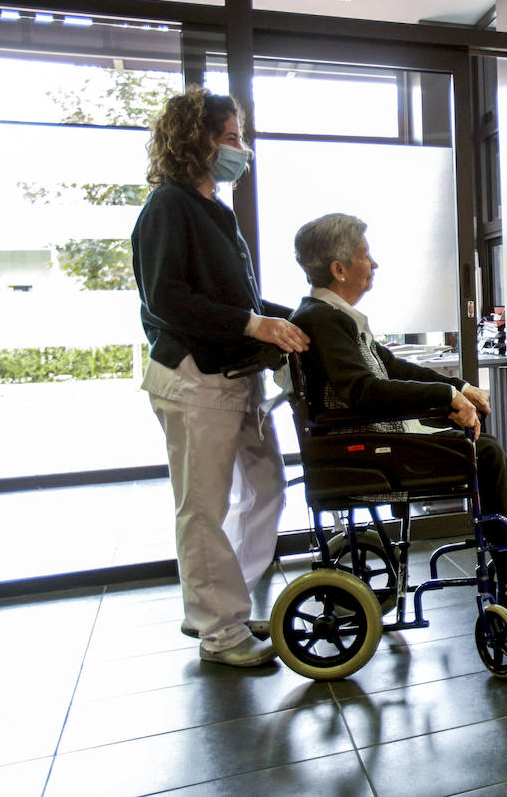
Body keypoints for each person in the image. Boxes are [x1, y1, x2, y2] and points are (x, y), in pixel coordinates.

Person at [290, 213, 507, 615]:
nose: (374, 264)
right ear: (339, 270)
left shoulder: (330, 317)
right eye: (365, 255)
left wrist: (457, 387)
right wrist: (446, 397)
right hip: (369, 452)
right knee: (485, 453)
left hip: (372, 443)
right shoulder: (323, 320)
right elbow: (363, 391)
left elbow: (393, 367)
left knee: (484, 447)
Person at [132, 87, 310, 667]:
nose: (242, 149)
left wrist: (293, 318)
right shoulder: (168, 206)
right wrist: (252, 323)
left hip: (234, 373)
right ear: (196, 140)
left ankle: (227, 603)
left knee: (266, 489)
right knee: (203, 506)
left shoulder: (214, 209)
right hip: (193, 376)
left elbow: (240, 299)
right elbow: (168, 300)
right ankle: (219, 630)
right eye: (231, 137)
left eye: (240, 137)